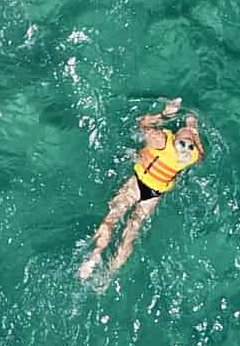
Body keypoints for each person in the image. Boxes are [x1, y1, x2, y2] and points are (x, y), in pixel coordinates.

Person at [78, 97, 204, 286]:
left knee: (112, 218)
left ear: (176, 138)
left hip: (136, 185)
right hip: (153, 196)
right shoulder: (192, 156)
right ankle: (110, 274)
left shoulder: (162, 140)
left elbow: (142, 124)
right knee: (131, 231)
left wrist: (166, 114)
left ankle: (96, 254)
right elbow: (200, 151)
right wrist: (193, 127)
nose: (189, 134)